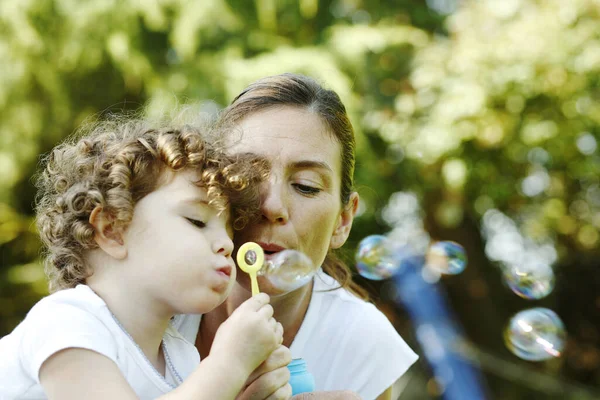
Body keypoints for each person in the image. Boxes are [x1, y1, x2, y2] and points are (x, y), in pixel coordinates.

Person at [0, 116, 292, 399]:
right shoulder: (66, 323)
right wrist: (230, 363)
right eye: (197, 221)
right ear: (112, 230)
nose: (227, 245)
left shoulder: (180, 356)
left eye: (229, 233)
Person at [173, 73, 419, 400]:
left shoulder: (362, 344)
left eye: (306, 186)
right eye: (247, 176)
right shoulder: (154, 298)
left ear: (343, 221)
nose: (272, 205)